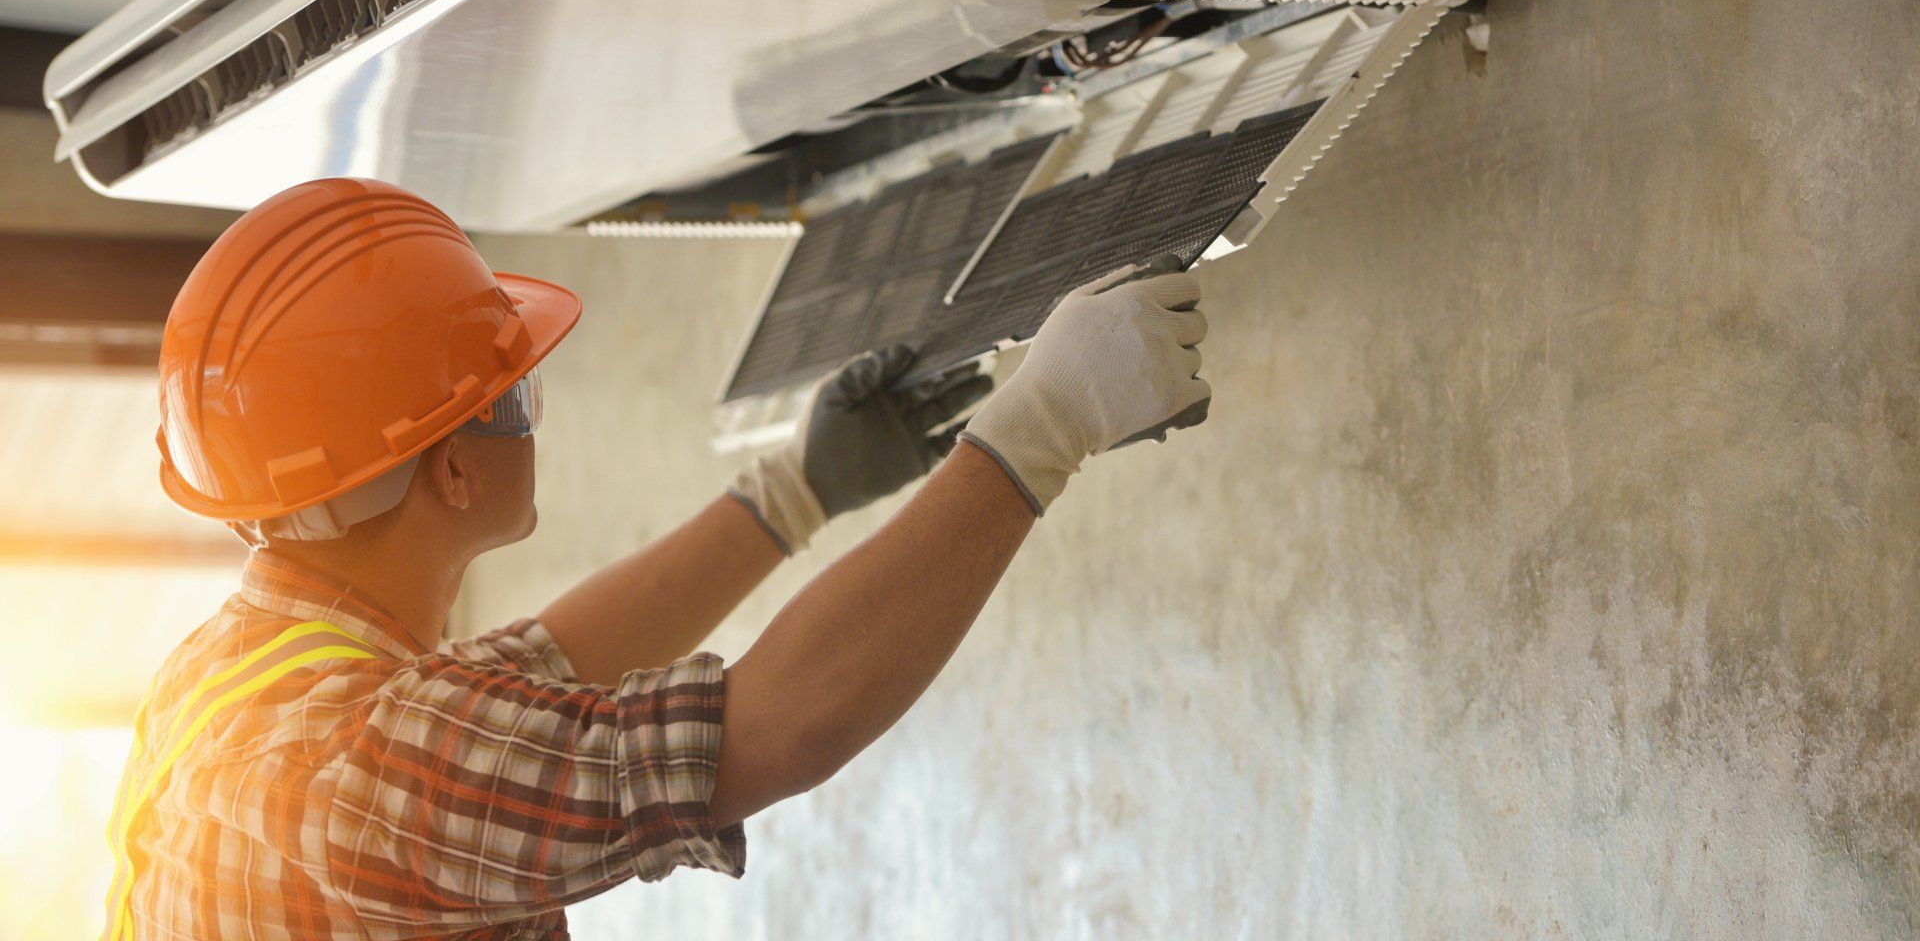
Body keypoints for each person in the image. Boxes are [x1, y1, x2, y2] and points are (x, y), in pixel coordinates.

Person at [104, 176, 1213, 939]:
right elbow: (773, 726)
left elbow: (539, 669)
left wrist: (794, 490)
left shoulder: (232, 678)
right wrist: (1046, 423)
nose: (534, 407)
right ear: (450, 468)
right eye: (514, 391)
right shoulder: (373, 761)